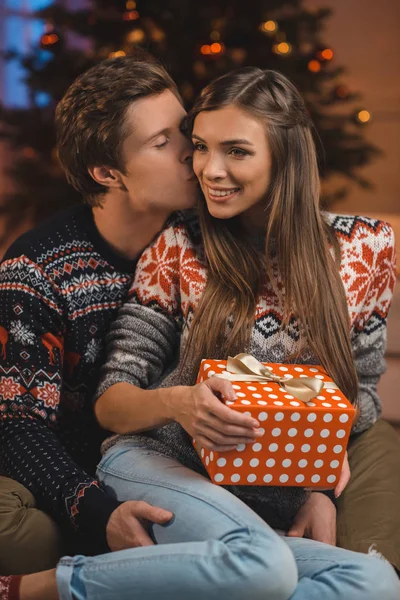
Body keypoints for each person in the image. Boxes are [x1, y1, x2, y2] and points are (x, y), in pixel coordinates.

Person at [90, 67, 399, 598]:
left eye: (236, 150)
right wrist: (181, 403)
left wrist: (317, 487)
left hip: (266, 492)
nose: (210, 170)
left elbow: (359, 396)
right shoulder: (179, 243)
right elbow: (111, 402)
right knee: (263, 563)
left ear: (286, 155)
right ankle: (50, 584)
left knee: (372, 582)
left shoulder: (365, 250)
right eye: (202, 148)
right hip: (155, 459)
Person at [0, 54, 198, 574]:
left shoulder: (208, 236)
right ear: (108, 172)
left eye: (185, 130)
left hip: (190, 457)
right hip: (87, 471)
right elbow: (18, 425)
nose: (191, 151)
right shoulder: (36, 271)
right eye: (163, 142)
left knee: (376, 438)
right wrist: (96, 510)